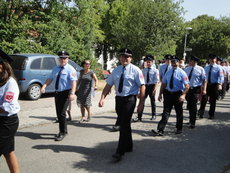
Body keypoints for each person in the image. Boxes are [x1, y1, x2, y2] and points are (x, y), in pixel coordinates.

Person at [98, 48, 145, 161]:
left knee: (123, 124)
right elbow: (108, 85)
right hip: (119, 99)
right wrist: (102, 98)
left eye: (127, 57)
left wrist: (141, 103)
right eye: (122, 56)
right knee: (125, 123)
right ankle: (129, 146)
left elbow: (142, 86)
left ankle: (120, 151)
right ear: (120, 58)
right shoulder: (116, 70)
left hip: (130, 99)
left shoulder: (136, 70)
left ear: (131, 58)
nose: (124, 58)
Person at [41, 51, 77, 141]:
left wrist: (72, 93)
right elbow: (50, 78)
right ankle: (63, 130)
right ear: (59, 59)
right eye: (61, 58)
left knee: (62, 113)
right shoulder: (55, 68)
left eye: (65, 58)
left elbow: (73, 82)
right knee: (58, 113)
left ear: (67, 59)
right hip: (57, 93)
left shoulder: (70, 69)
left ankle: (62, 132)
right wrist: (44, 86)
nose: (63, 60)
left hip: (66, 93)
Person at [154, 56, 189, 136]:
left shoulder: (182, 73)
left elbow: (187, 86)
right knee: (165, 112)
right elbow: (163, 84)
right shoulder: (168, 72)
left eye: (175, 62)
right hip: (168, 94)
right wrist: (160, 94)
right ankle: (160, 129)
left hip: (178, 94)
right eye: (172, 62)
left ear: (178, 63)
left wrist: (183, 95)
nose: (174, 64)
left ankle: (179, 128)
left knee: (179, 112)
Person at [0, 60, 20, 173]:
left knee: (7, 151)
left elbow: (6, 107)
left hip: (7, 122)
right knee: (8, 152)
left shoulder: (10, 82)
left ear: (2, 66)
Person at [133, 54, 159, 122]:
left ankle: (153, 115)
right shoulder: (143, 70)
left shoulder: (155, 70)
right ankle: (139, 116)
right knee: (142, 101)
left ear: (152, 62)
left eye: (149, 62)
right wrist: (139, 90)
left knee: (152, 101)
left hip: (152, 86)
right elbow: (141, 81)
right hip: (145, 86)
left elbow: (157, 81)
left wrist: (155, 89)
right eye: (147, 62)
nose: (148, 63)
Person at [198, 54, 224, 119]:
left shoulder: (219, 67)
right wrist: (202, 85)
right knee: (204, 99)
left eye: (213, 59)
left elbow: (221, 77)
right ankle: (201, 113)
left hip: (214, 85)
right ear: (209, 60)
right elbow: (203, 77)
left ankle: (211, 114)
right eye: (211, 59)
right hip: (206, 85)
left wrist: (220, 84)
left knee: (213, 101)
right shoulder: (206, 67)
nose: (212, 60)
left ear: (215, 60)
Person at [184, 55, 206, 129]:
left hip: (195, 89)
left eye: (190, 60)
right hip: (187, 89)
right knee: (189, 105)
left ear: (194, 61)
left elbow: (204, 80)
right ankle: (190, 119)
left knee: (193, 105)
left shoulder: (201, 69)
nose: (189, 62)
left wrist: (204, 89)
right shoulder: (186, 69)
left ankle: (193, 122)